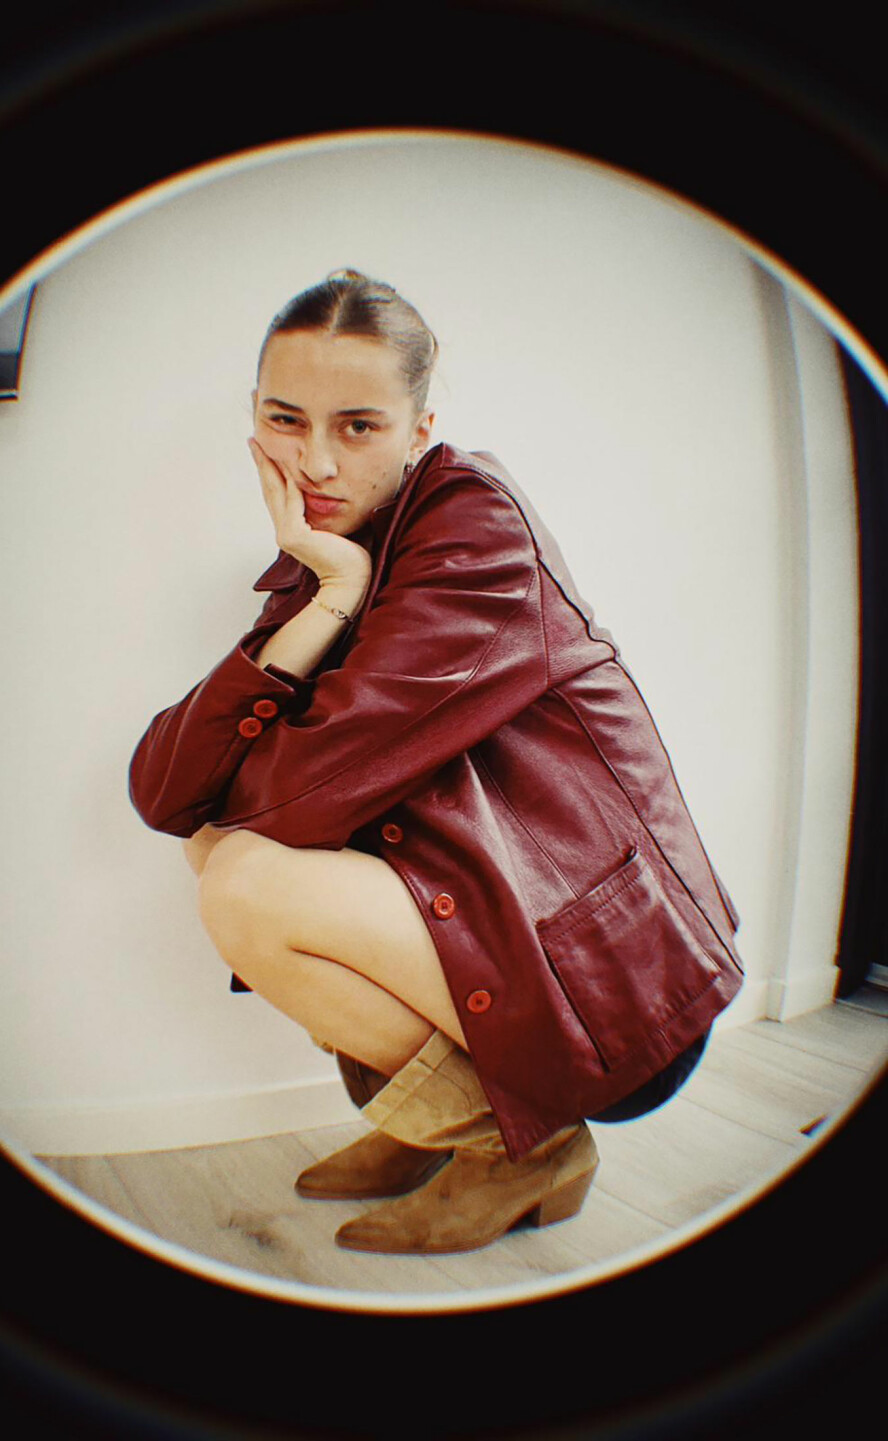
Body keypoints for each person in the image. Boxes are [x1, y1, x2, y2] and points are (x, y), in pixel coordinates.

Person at [129, 269, 743, 1256]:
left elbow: (294, 796)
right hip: (503, 939)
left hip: (613, 991)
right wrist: (329, 595)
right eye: (287, 420)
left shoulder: (471, 530)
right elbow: (166, 792)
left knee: (244, 879)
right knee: (214, 848)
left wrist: (329, 598)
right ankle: (431, 1124)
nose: (316, 460)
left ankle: (515, 1148)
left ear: (419, 429)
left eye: (359, 426)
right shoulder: (335, 556)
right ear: (254, 418)